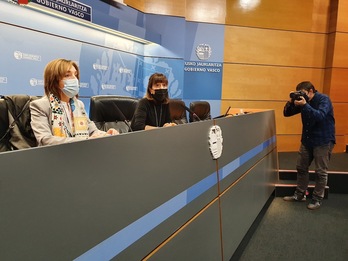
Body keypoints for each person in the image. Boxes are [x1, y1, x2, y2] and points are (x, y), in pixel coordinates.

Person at [30, 58, 119, 146]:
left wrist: (105, 134)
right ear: (54, 81)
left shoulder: (79, 105)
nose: (75, 79)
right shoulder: (40, 105)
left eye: (75, 75)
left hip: (81, 153)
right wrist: (84, 141)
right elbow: (45, 139)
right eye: (67, 75)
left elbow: (92, 131)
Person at [283, 81, 335, 210]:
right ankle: (300, 195)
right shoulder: (303, 101)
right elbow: (287, 113)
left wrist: (305, 105)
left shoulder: (324, 99)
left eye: (304, 93)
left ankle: (317, 199)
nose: (302, 96)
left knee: (320, 172)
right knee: (301, 167)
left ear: (311, 90)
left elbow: (320, 116)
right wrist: (291, 102)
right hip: (307, 140)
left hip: (323, 140)